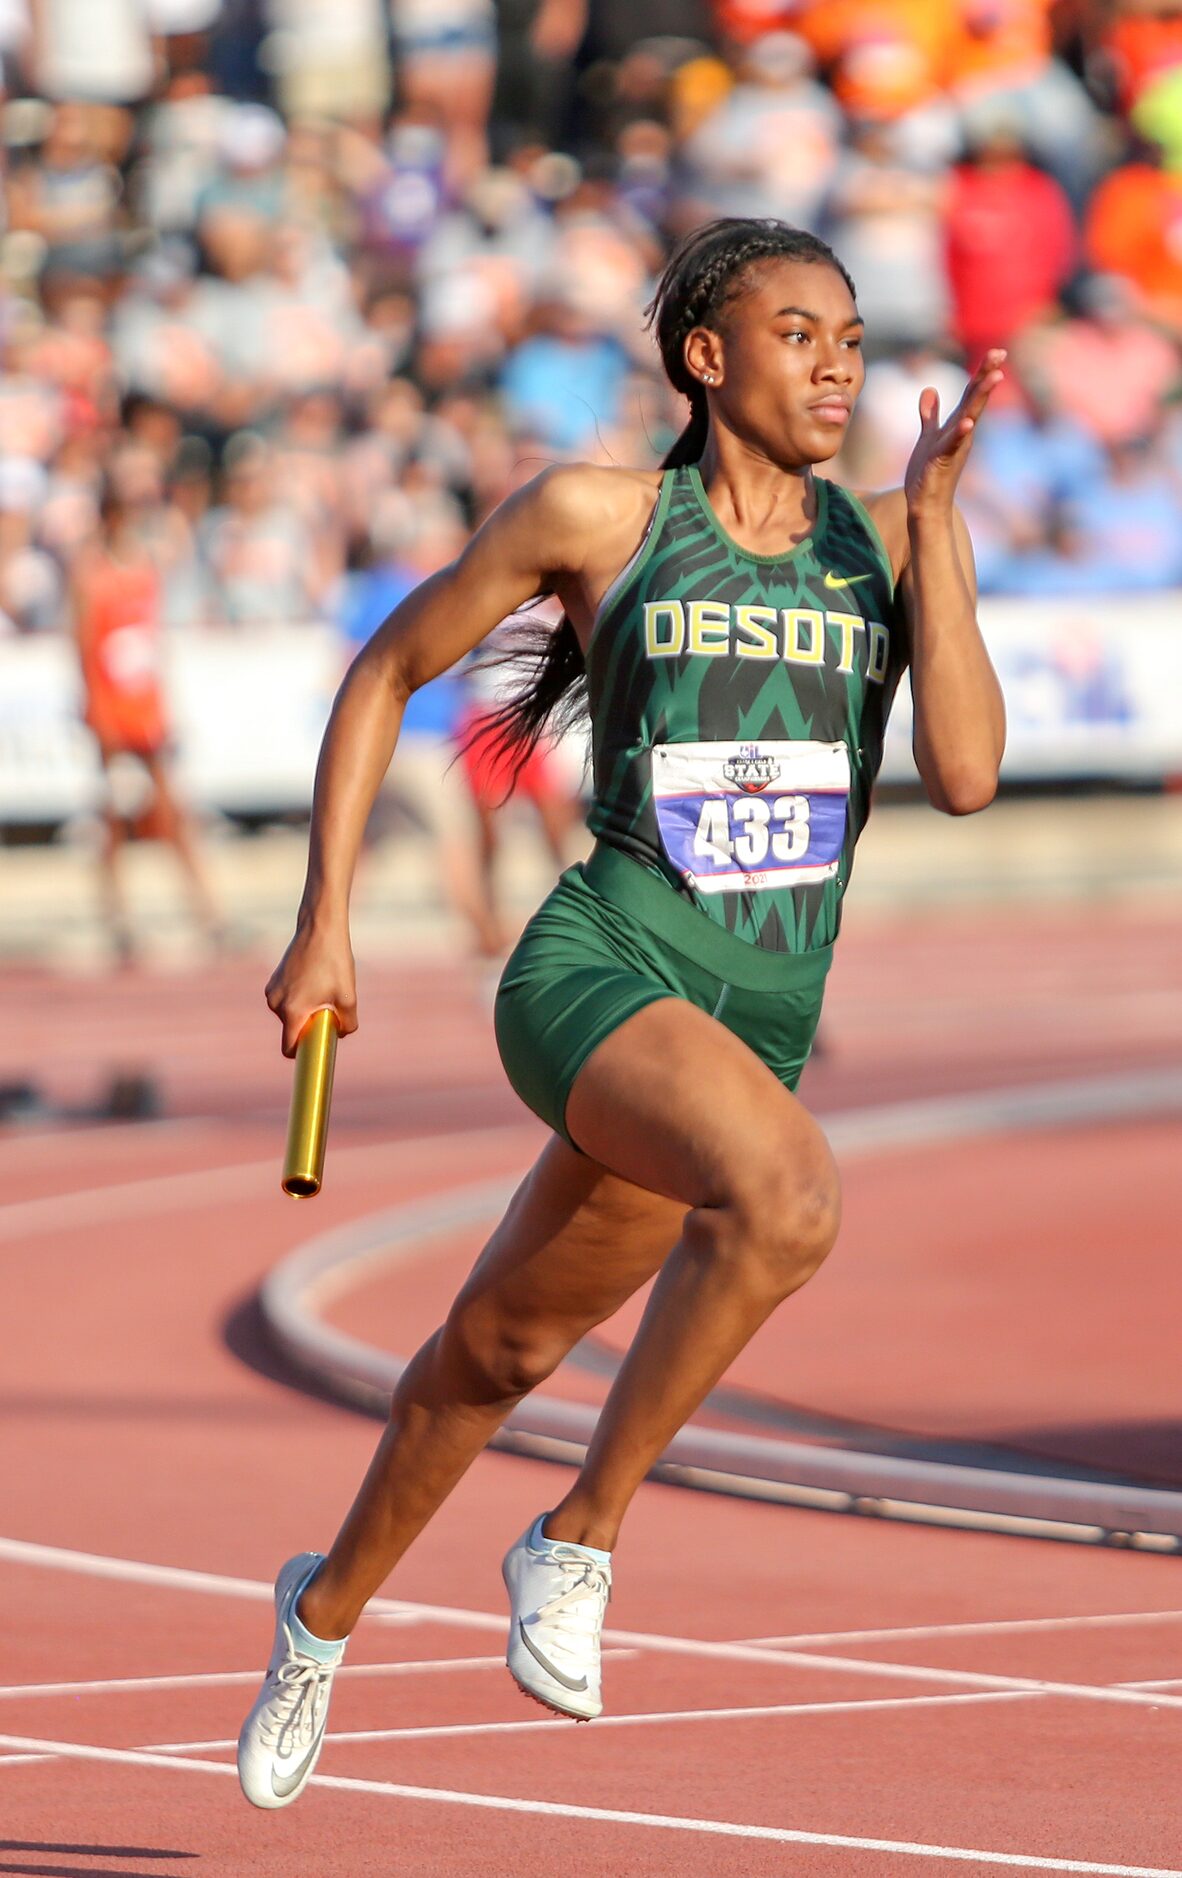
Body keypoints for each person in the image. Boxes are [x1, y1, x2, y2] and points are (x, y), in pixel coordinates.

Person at [237, 216, 1005, 1810]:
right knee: (790, 1195)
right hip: (599, 968)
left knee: (498, 1345)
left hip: (748, 1028)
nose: (838, 363)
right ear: (707, 357)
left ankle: (316, 1616)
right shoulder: (600, 515)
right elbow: (385, 672)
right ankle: (576, 1539)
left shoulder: (883, 536)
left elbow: (967, 775)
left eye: (850, 336)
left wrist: (933, 530)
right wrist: (325, 923)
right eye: (798, 333)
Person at [73, 483, 223, 962]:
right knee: (115, 814)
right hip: (113, 711)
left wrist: (164, 707)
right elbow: (84, 647)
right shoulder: (91, 575)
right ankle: (118, 916)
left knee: (171, 810)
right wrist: (97, 713)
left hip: (145, 707)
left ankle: (206, 911)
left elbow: (152, 642)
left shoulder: (142, 569)